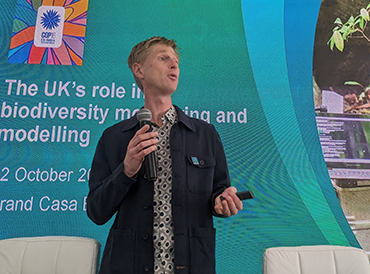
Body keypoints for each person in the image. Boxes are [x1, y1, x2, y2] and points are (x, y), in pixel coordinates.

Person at [86, 36, 243, 274]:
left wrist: (222, 203)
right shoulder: (114, 137)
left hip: (191, 264)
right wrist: (126, 170)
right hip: (129, 265)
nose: (174, 65)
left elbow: (218, 194)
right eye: (163, 58)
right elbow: (96, 212)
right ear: (138, 70)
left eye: (176, 61)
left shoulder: (205, 134)